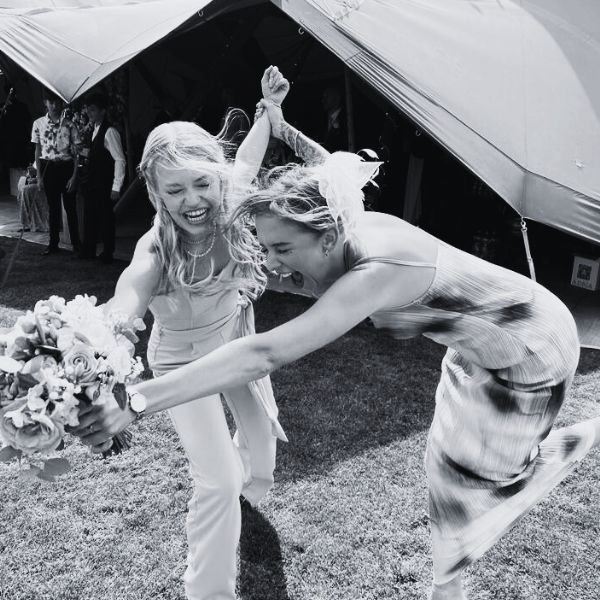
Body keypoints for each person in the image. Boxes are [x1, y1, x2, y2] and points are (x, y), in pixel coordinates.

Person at [80, 97, 600, 600]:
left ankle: (564, 452)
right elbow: (318, 173)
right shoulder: (336, 217)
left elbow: (265, 353)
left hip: (530, 347)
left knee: (476, 484)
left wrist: (135, 401)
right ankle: (451, 577)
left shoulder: (376, 271)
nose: (274, 264)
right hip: (473, 345)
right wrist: (85, 341)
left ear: (325, 236)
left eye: (282, 249)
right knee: (444, 468)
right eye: (269, 248)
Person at [72, 67, 296, 600]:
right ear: (153, 190)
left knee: (260, 449)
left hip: (234, 345)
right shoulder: (154, 250)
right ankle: (208, 591)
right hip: (178, 366)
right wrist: (93, 338)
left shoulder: (233, 202)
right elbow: (125, 303)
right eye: (175, 189)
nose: (193, 200)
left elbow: (248, 156)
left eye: (203, 183)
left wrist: (267, 108)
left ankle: (249, 488)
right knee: (217, 480)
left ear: (217, 179)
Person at [31, 90, 82, 255]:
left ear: (62, 103)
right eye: (50, 102)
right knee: (53, 208)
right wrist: (39, 176)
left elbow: (77, 154)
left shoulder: (70, 124)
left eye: (57, 102)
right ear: (45, 103)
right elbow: (37, 150)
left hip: (66, 166)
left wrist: (74, 176)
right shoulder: (38, 124)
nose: (54, 105)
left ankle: (76, 244)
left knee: (70, 207)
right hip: (48, 167)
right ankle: (53, 244)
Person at [80, 92, 127, 264]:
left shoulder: (110, 132)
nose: (89, 114)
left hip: (105, 183)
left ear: (103, 111)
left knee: (106, 219)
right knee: (90, 217)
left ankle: (108, 252)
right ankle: (89, 250)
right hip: (92, 182)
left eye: (93, 110)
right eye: (88, 110)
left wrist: (116, 186)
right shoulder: (93, 130)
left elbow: (120, 159)